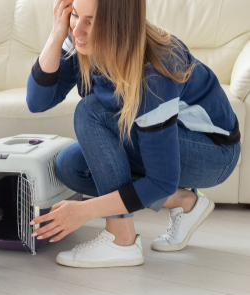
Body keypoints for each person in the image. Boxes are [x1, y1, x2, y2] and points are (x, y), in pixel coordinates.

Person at [27, 0, 240, 268]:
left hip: (213, 153)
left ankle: (121, 240)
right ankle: (185, 201)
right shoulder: (81, 38)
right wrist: (58, 32)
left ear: (118, 26)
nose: (78, 30)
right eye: (75, 15)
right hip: (169, 141)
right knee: (71, 167)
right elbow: (37, 101)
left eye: (90, 21)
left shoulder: (155, 71)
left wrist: (84, 211)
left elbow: (161, 180)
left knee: (90, 111)